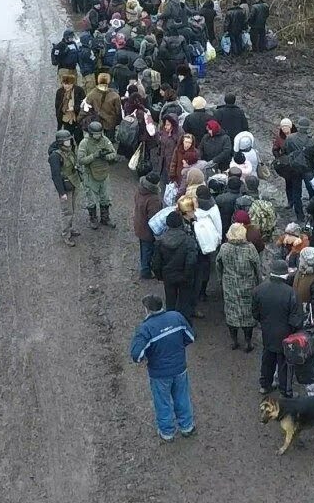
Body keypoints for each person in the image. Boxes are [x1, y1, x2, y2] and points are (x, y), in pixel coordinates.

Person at [128, 294, 196, 442]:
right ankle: (187, 426)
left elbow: (136, 355)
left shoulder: (145, 329)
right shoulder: (176, 317)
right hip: (180, 368)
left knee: (162, 402)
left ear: (147, 310)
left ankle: (167, 432)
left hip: (159, 374)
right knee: (182, 396)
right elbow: (190, 337)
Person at [252, 258, 303, 397]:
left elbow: (255, 313)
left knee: (267, 359)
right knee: (285, 364)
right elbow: (296, 320)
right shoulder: (291, 293)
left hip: (267, 332)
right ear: (285, 275)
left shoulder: (259, 290)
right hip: (285, 335)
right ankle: (285, 391)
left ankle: (265, 385)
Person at [217, 222, 261, 351]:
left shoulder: (224, 248)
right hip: (247, 286)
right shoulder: (250, 248)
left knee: (231, 314)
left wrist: (221, 279)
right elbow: (257, 267)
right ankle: (248, 342)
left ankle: (234, 341)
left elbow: (218, 264)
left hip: (230, 286)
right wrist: (259, 283)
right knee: (248, 315)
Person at [152, 209, 198, 320]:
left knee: (170, 303)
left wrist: (160, 276)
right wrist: (187, 275)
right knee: (184, 304)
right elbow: (191, 261)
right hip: (184, 277)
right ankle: (186, 328)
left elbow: (156, 263)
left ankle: (171, 326)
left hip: (168, 277)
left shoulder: (160, 242)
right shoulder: (189, 241)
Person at [77, 121, 120, 229]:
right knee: (91, 199)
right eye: (96, 134)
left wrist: (105, 157)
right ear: (91, 133)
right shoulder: (84, 143)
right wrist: (94, 156)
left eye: (99, 133)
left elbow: (113, 153)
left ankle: (105, 218)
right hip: (90, 175)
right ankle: (93, 218)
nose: (98, 136)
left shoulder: (105, 140)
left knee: (105, 197)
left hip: (104, 173)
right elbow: (81, 160)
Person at [277, 117, 314, 223]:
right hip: (308, 169)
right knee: (312, 192)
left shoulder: (290, 138)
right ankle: (313, 213)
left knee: (296, 193)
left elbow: (284, 151)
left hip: (294, 169)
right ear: (307, 128)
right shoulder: (312, 141)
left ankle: (299, 216)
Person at [48, 130, 82, 246]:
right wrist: (62, 193)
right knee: (67, 212)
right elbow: (56, 176)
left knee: (72, 209)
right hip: (66, 187)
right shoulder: (55, 156)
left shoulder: (68, 150)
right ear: (61, 142)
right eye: (67, 140)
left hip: (73, 182)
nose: (69, 141)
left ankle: (69, 228)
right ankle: (66, 234)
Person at [133, 171, 165, 278]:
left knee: (143, 248)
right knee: (148, 250)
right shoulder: (153, 199)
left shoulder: (140, 190)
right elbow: (154, 218)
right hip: (147, 230)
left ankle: (144, 267)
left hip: (139, 224)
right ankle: (145, 271)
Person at [85, 73, 123, 139]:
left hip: (96, 121)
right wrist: (118, 122)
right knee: (109, 141)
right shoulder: (115, 96)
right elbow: (118, 111)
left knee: (97, 140)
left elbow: (87, 109)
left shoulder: (91, 94)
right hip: (110, 121)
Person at [291, 246, 314, 316]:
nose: (299, 259)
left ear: (307, 261)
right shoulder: (303, 269)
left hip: (305, 313)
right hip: (296, 307)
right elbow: (294, 278)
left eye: (301, 258)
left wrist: (305, 308)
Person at [55, 73, 86, 141]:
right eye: (65, 84)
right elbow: (57, 106)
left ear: (73, 84)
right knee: (67, 138)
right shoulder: (59, 92)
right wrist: (59, 117)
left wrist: (74, 108)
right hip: (65, 119)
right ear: (62, 83)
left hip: (77, 118)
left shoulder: (79, 90)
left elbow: (83, 103)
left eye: (69, 84)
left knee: (79, 137)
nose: (67, 86)